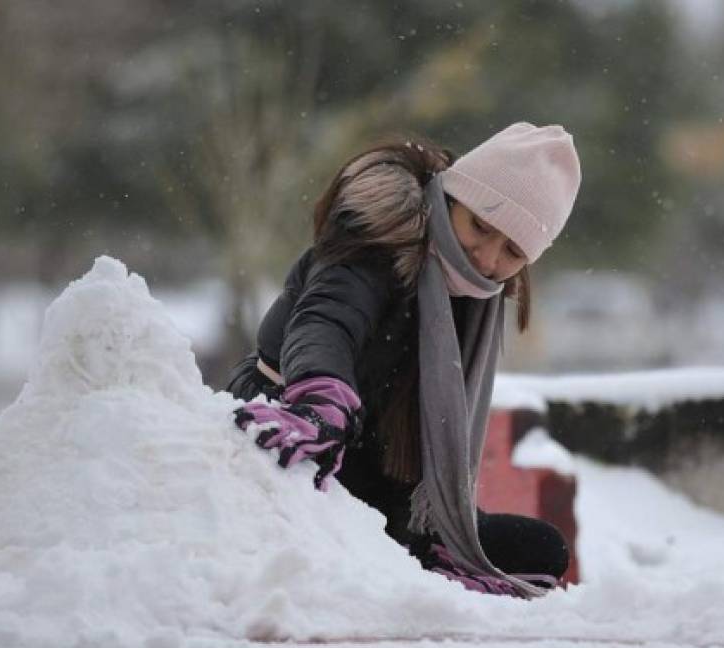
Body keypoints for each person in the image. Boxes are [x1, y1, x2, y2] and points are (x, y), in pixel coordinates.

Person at [227, 122, 582, 599]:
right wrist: (320, 394)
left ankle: (426, 557)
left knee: (542, 550)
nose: (485, 256)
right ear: (453, 198)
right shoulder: (378, 242)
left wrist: (446, 524)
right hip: (300, 427)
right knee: (342, 530)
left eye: (513, 251)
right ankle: (405, 563)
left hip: (383, 473)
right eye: (480, 225)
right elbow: (328, 318)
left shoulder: (474, 298)